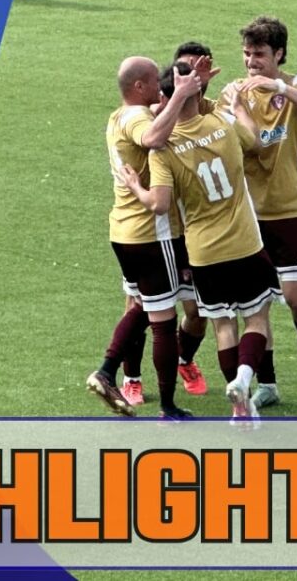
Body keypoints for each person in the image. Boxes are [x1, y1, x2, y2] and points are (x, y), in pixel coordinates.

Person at [121, 62, 278, 428]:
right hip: (244, 241)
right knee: (257, 318)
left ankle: (239, 409)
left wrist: (135, 187)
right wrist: (238, 107)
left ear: (165, 98)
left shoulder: (163, 150)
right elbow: (255, 141)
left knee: (223, 325)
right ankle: (243, 380)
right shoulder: (221, 123)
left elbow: (160, 203)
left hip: (204, 252)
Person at [216, 16, 297, 409]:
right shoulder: (231, 93)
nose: (251, 62)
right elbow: (234, 141)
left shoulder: (295, 85)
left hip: (292, 208)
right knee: (256, 305)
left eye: (259, 54)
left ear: (279, 54)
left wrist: (278, 87)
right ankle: (268, 384)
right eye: (247, 54)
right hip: (249, 215)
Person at [87, 56, 205, 421]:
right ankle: (167, 405)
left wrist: (188, 93)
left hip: (124, 231)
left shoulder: (118, 116)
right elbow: (153, 137)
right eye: (155, 80)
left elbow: (157, 115)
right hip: (153, 233)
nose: (161, 84)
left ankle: (108, 372)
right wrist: (180, 94)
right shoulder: (138, 118)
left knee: (143, 305)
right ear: (139, 86)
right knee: (163, 322)